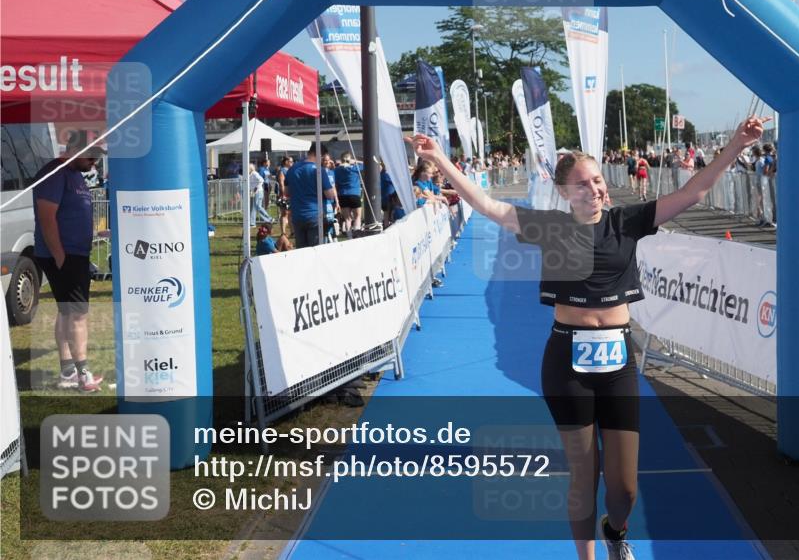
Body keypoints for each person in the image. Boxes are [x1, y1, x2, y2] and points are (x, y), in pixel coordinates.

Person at [407, 115, 769, 560]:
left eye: (597, 180)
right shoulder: (550, 228)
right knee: (584, 474)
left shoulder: (627, 221)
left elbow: (692, 192)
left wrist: (736, 143)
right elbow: (485, 203)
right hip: (566, 364)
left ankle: (615, 531)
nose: (595, 189)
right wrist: (438, 157)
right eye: (583, 184)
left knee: (625, 490)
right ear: (564, 192)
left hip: (617, 363)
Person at [33, 131, 105, 392]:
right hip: (64, 255)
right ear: (75, 148)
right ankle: (83, 374)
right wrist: (60, 256)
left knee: (67, 312)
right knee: (78, 314)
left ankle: (67, 372)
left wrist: (96, 234)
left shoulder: (75, 175)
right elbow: (47, 217)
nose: (94, 163)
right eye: (92, 156)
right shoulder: (55, 172)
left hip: (74, 254)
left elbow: (71, 214)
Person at [284, 143, 338, 248]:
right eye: (322, 157)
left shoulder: (292, 169)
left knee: (302, 251)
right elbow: (330, 195)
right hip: (314, 216)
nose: (323, 160)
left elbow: (286, 192)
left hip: (297, 215)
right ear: (318, 154)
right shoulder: (319, 170)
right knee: (316, 251)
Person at [334, 152, 364, 238]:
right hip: (354, 194)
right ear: (349, 159)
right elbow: (366, 163)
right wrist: (355, 161)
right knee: (357, 217)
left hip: (342, 195)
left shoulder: (337, 169)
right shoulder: (354, 168)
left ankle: (349, 237)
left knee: (347, 219)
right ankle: (357, 234)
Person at [276, 155, 293, 237]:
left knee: (290, 214)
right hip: (285, 195)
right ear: (286, 162)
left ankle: (292, 231)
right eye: (291, 161)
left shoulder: (290, 170)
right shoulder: (282, 171)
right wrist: (283, 195)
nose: (292, 163)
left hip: (291, 195)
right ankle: (283, 232)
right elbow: (281, 183)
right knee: (285, 213)